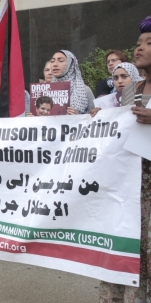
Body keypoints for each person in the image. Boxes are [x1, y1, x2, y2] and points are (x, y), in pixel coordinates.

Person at [96, 15, 151, 303]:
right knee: (124, 255)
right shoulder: (132, 91)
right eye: (139, 42)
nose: (140, 47)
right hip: (126, 190)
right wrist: (99, 121)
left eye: (149, 42)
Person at [50, 50, 95, 114]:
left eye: (61, 61)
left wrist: (77, 116)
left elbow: (95, 117)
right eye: (52, 61)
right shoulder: (45, 90)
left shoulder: (84, 90)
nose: (55, 64)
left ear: (70, 64)